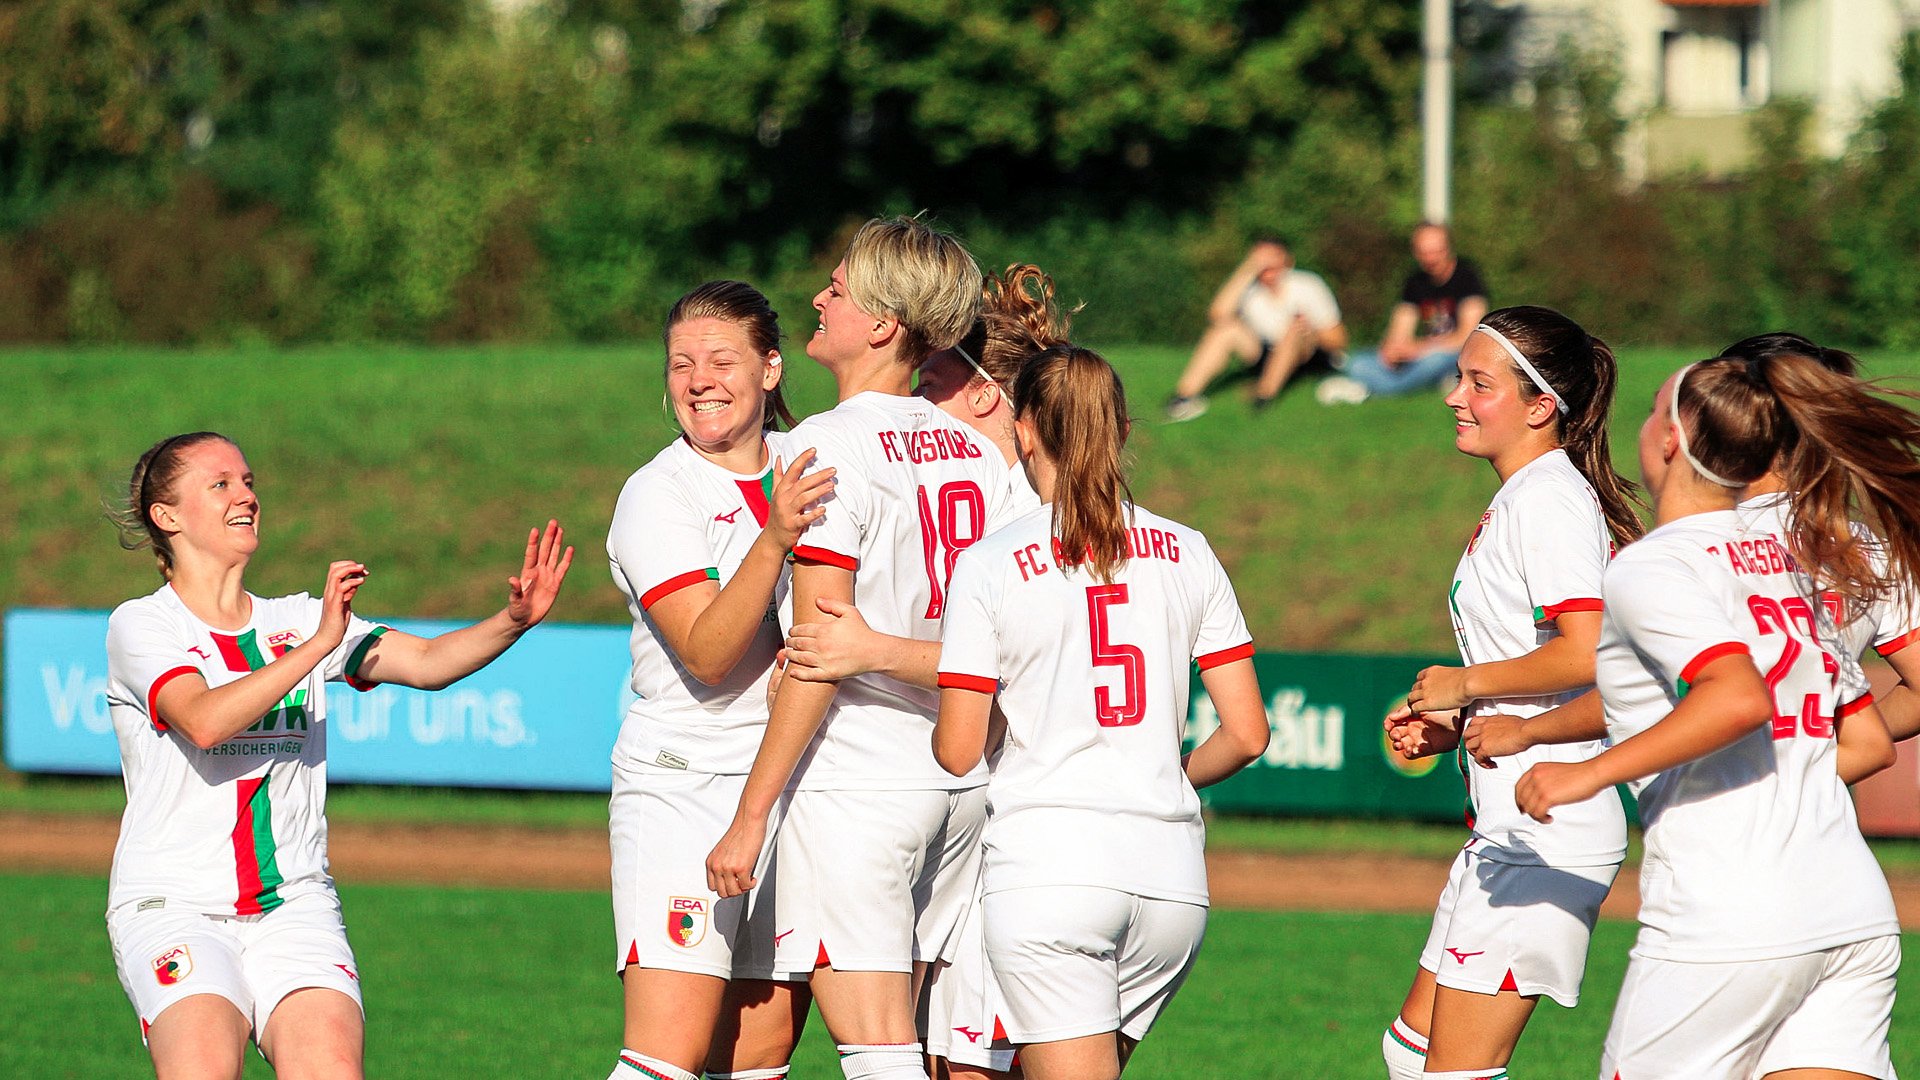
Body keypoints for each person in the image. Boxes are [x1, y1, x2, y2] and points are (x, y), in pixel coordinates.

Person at [103, 432, 572, 1079]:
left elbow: (429, 663)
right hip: (174, 906)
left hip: (293, 905)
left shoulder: (294, 619)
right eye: (221, 485)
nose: (245, 496)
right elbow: (204, 721)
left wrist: (512, 620)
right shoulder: (144, 625)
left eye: (248, 481)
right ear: (167, 516)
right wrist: (320, 642)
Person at [1515, 353, 1916, 1078]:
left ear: (1671, 439)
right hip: (1850, 907)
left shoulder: (1657, 564)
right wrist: (1783, 772)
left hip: (1728, 912)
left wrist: (1587, 775)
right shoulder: (1796, 562)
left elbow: (1735, 698)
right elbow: (1865, 741)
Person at [704, 216, 1013, 1080]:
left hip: (860, 779)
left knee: (878, 1054)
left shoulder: (824, 444)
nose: (817, 296)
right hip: (960, 780)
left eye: (837, 288)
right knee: (917, 1043)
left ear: (883, 324)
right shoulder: (980, 453)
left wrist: (751, 813)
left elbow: (819, 645)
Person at [932, 344, 1270, 1080]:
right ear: (1120, 431)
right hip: (1170, 883)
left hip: (1050, 871)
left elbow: (960, 750)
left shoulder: (992, 560)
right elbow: (1247, 734)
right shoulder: (1190, 549)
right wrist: (1166, 773)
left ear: (1024, 429)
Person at [1378, 306, 1642, 1080]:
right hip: (1510, 827)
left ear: (1539, 407)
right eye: (1459, 376)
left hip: (1545, 828)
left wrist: (1467, 683)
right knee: (1410, 1053)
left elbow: (1588, 651)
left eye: (1478, 382)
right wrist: (1457, 716)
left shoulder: (1549, 499)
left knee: (1451, 1074)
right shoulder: (1525, 496)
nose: (1453, 396)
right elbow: (1535, 660)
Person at [604, 281, 837, 1080]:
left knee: (756, 1063)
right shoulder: (658, 493)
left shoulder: (819, 464)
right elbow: (706, 651)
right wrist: (774, 539)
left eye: (721, 360)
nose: (699, 380)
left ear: (771, 369)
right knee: (664, 1061)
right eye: (680, 364)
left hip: (793, 790)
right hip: (686, 786)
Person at [1164, 235, 1347, 420]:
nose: (1266, 264)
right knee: (1224, 330)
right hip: (1268, 352)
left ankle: (1263, 396)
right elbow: (1217, 315)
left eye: (1272, 257)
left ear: (1287, 261)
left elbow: (1338, 340)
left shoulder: (1307, 285)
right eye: (1259, 259)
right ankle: (1183, 396)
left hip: (1308, 355)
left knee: (1294, 329)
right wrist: (1246, 271)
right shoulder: (1250, 291)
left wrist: (1311, 332)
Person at [1317, 222, 1487, 405]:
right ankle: (1418, 382)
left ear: (1448, 248)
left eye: (1436, 252)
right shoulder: (1416, 282)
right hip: (1420, 355)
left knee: (1434, 360)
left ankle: (1373, 389)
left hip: (1451, 354)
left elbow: (1467, 337)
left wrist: (1417, 349)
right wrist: (1392, 351)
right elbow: (1400, 328)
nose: (1431, 259)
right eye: (1424, 253)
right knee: (1357, 361)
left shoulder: (1467, 277)